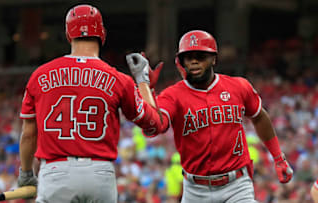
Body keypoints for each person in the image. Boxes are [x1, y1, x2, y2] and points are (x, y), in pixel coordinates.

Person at [126, 30, 293, 203]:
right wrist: (143, 84)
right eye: (188, 57)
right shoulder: (173, 95)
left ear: (214, 58)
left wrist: (279, 158)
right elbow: (154, 126)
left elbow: (259, 117)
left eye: (201, 56)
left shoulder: (238, 86)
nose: (194, 61)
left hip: (236, 185)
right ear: (181, 61)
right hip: (195, 190)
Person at [17, 4, 162, 203]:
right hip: (100, 174)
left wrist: (26, 175)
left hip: (56, 173)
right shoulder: (118, 79)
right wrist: (142, 81)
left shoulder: (40, 75)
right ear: (102, 34)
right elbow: (153, 123)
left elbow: (28, 134)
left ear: (68, 34)